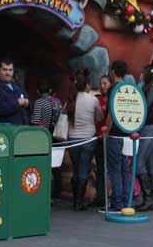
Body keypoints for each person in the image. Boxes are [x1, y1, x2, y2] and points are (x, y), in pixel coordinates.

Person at [65, 71, 101, 211]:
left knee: (76, 169)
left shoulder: (70, 99)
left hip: (73, 139)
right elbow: (98, 117)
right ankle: (79, 203)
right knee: (84, 170)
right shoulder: (93, 100)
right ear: (87, 85)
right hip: (88, 139)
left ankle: (75, 200)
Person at [135, 61, 153, 212]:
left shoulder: (151, 89)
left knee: (139, 163)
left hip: (149, 128)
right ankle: (150, 198)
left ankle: (148, 197)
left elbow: (144, 108)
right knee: (151, 163)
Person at [101, 60, 130, 213]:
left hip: (115, 135)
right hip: (127, 135)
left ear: (112, 71)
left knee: (115, 170)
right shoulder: (129, 88)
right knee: (125, 169)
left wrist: (106, 130)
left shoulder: (114, 89)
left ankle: (117, 203)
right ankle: (126, 200)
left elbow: (112, 113)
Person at [0, 57, 29, 125]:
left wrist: (27, 101)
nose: (8, 73)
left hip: (20, 129)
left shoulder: (16, 84)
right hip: (5, 131)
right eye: (4, 70)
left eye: (10, 70)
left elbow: (26, 97)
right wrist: (18, 102)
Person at [91, 75, 112, 208]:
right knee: (99, 168)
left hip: (109, 137)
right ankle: (100, 196)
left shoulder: (113, 99)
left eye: (105, 83)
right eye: (101, 83)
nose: (102, 85)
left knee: (109, 168)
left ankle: (110, 195)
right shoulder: (96, 100)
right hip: (98, 136)